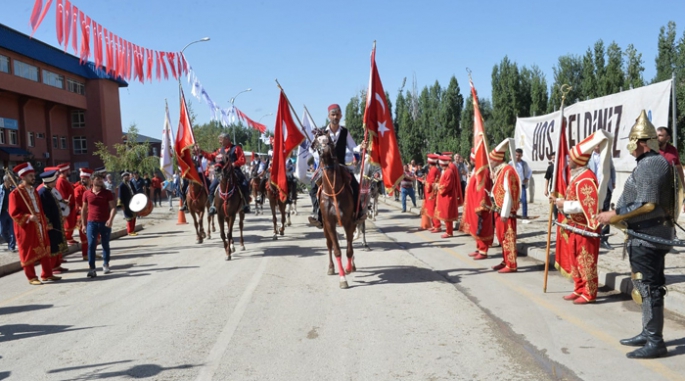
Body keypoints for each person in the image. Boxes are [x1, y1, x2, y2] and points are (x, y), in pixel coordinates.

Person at [597, 111, 675, 359]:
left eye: (632, 141)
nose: (629, 147)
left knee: (649, 287)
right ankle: (648, 331)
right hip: (644, 235)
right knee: (646, 285)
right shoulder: (648, 163)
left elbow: (648, 204)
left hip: (649, 236)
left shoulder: (652, 163)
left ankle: (655, 341)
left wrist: (615, 217)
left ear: (642, 142)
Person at [552, 130, 612, 304]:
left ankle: (589, 292)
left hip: (587, 227)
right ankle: (578, 288)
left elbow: (588, 205)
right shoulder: (578, 177)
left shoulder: (586, 178)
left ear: (577, 161)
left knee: (586, 261)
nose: (568, 161)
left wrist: (565, 205)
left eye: (570, 158)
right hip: (575, 226)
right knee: (575, 260)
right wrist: (562, 201)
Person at [308, 104, 365, 228]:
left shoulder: (345, 132)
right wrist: (319, 150)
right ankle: (317, 215)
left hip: (341, 166)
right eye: (333, 114)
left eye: (337, 114)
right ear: (329, 116)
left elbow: (353, 147)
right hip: (326, 167)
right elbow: (311, 150)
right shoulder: (321, 132)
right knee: (312, 187)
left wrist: (361, 147)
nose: (335, 117)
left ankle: (358, 213)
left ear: (341, 115)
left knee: (355, 185)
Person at [9, 162, 60, 285]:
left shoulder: (34, 191)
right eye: (30, 176)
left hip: (39, 223)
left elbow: (40, 209)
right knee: (28, 250)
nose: (33, 178)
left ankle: (47, 274)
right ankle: (31, 277)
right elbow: (13, 212)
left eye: (33, 175)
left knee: (44, 248)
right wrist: (27, 217)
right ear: (23, 177)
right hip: (27, 226)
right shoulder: (15, 194)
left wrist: (44, 221)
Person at [480, 140, 520, 273]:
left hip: (505, 213)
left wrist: (505, 213)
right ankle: (505, 260)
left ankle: (511, 264)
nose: (489, 163)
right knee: (501, 237)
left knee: (508, 237)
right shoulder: (500, 171)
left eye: (490, 160)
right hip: (498, 209)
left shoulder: (508, 171)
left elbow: (509, 192)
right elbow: (499, 190)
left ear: (497, 159)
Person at [200, 133, 249, 215]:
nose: (219, 141)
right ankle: (213, 206)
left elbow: (242, 160)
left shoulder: (236, 148)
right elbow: (211, 157)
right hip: (222, 173)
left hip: (235, 171)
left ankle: (245, 204)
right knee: (211, 187)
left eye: (221, 139)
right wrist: (202, 152)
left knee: (245, 184)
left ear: (227, 139)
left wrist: (235, 163)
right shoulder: (219, 150)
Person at [81, 172, 116, 278]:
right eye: (98, 179)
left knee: (105, 244)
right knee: (91, 244)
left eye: (101, 179)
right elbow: (84, 209)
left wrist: (110, 220)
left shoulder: (107, 193)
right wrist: (83, 224)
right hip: (91, 223)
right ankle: (92, 268)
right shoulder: (86, 194)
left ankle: (106, 264)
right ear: (92, 181)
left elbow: (113, 208)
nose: (100, 180)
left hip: (104, 222)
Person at [463, 147, 495, 260]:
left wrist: (481, 205)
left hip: (481, 206)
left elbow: (483, 189)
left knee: (482, 228)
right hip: (475, 204)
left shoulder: (484, 171)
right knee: (477, 228)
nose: (470, 160)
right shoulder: (477, 169)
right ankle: (479, 248)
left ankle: (483, 251)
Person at [38, 169, 69, 274]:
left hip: (56, 221)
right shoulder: (43, 193)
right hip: (50, 224)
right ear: (51, 181)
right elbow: (44, 210)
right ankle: (51, 267)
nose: (56, 182)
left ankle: (57, 265)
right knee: (52, 244)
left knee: (57, 243)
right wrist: (48, 223)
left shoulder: (50, 190)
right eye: (54, 180)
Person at [588, 145, 616, 250]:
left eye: (600, 144)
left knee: (605, 212)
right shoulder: (588, 156)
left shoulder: (607, 155)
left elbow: (612, 168)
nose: (598, 146)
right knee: (592, 212)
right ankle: (592, 237)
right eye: (596, 143)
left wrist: (613, 181)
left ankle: (604, 239)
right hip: (593, 188)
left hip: (606, 187)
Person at [434, 155, 459, 238]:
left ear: (442, 164)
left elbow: (447, 185)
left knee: (447, 215)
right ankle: (448, 231)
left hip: (448, 197)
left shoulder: (448, 172)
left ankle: (449, 232)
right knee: (446, 214)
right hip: (445, 197)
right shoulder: (446, 171)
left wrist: (438, 187)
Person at [74, 168, 93, 260]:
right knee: (85, 236)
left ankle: (91, 252)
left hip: (93, 215)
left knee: (95, 236)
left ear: (89, 179)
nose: (82, 180)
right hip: (83, 215)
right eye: (82, 178)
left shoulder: (93, 188)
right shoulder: (78, 189)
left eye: (85, 178)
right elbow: (78, 203)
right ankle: (85, 254)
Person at [56, 163, 78, 245]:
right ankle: (67, 238)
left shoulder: (65, 180)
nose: (70, 171)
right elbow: (62, 194)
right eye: (68, 170)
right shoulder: (61, 181)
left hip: (71, 206)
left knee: (71, 223)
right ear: (65, 171)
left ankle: (70, 237)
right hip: (67, 206)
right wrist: (66, 203)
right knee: (67, 224)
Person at [420, 154, 441, 231]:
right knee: (432, 209)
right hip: (433, 193)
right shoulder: (435, 169)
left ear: (429, 163)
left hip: (432, 194)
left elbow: (431, 183)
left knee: (432, 210)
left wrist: (424, 182)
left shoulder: (433, 170)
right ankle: (435, 225)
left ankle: (437, 226)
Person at [510, 148, 532, 218]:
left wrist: (527, 178)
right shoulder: (511, 163)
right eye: (516, 155)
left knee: (524, 200)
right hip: (513, 185)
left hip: (522, 184)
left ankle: (524, 216)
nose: (517, 157)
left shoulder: (524, 163)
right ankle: (512, 214)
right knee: (512, 201)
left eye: (519, 155)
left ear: (521, 155)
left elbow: (530, 171)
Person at [0, 175, 16, 252]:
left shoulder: (13, 189)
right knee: (2, 231)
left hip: (12, 213)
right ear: (5, 181)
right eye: (10, 180)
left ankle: (12, 247)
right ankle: (9, 241)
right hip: (2, 213)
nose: (11, 182)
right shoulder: (0, 189)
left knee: (12, 230)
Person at [118, 171, 137, 236]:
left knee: (134, 216)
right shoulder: (122, 185)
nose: (127, 177)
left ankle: (133, 230)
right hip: (126, 203)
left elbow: (134, 191)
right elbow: (120, 195)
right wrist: (121, 205)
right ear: (123, 177)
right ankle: (129, 231)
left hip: (133, 202)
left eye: (128, 175)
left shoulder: (130, 183)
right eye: (126, 176)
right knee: (129, 217)